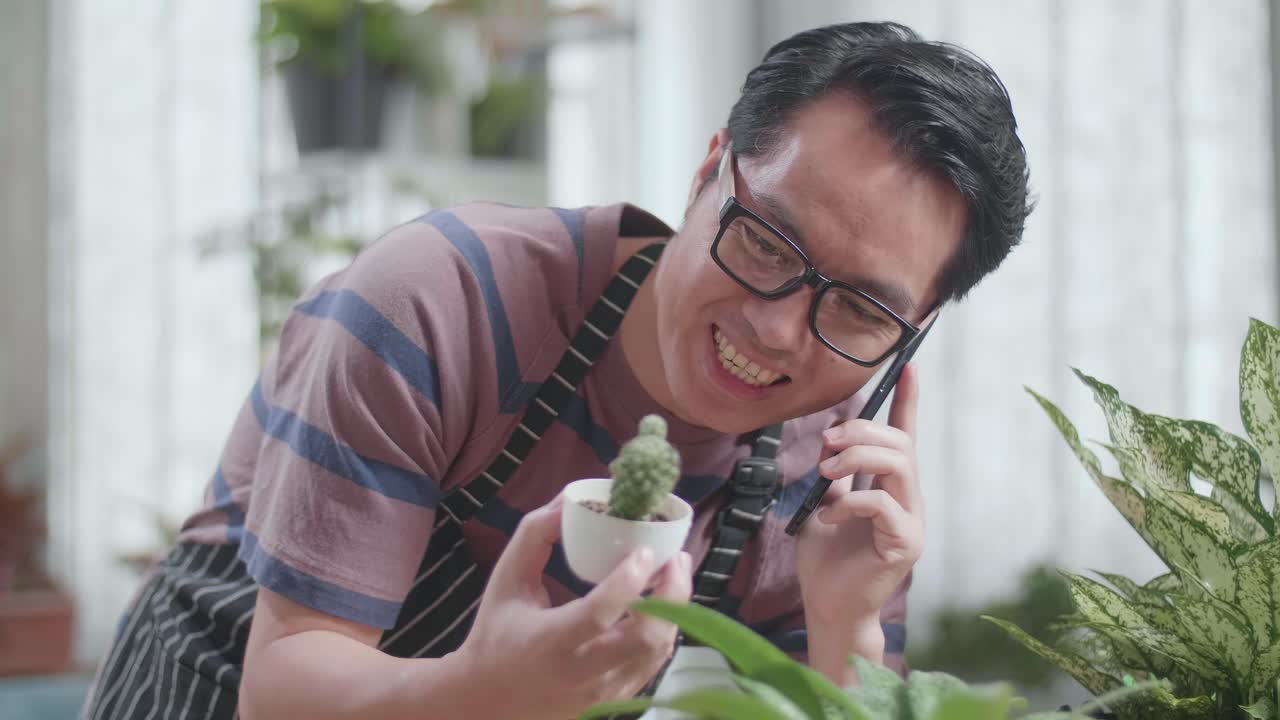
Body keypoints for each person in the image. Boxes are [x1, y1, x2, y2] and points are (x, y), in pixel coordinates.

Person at [83, 20, 1031, 720]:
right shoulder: (436, 303)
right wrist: (487, 689)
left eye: (862, 308)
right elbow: (281, 687)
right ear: (709, 172)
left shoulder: (830, 482)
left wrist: (847, 624)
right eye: (771, 241)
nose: (781, 330)